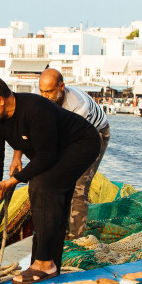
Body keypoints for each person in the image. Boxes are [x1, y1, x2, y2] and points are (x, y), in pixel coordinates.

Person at [0, 75, 99, 284]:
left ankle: (43, 263)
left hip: (81, 143)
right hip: (52, 150)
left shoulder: (35, 108)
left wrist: (11, 182)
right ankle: (49, 265)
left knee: (42, 186)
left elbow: (46, 157)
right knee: (52, 194)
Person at [10, 68, 111, 239]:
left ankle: (75, 238)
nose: (44, 96)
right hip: (62, 133)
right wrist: (17, 156)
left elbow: (67, 145)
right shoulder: (38, 97)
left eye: (49, 92)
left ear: (61, 87)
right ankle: (56, 231)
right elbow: (23, 126)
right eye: (42, 91)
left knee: (78, 185)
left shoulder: (78, 106)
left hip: (93, 135)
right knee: (50, 177)